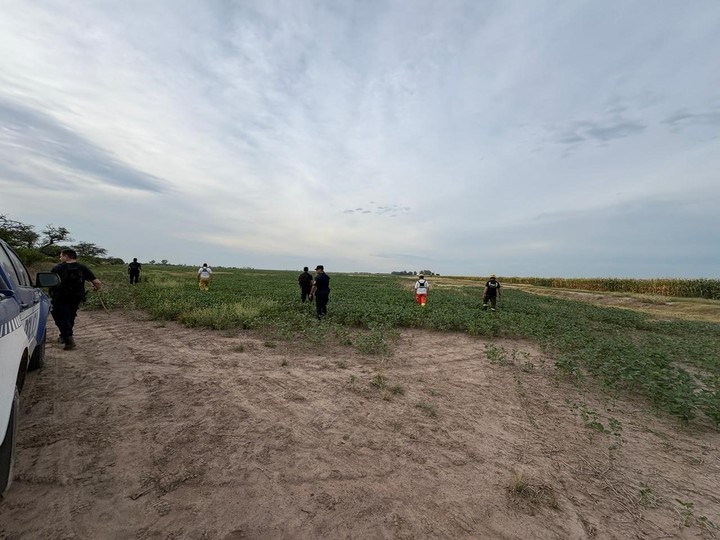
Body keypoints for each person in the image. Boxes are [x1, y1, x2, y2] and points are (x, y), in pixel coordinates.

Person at [49, 249, 102, 350]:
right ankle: (64, 336)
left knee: (60, 316)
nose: (60, 258)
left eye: (61, 256)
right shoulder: (82, 267)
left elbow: (50, 283)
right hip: (76, 297)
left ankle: (68, 338)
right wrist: (96, 288)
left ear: (66, 256)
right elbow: (97, 282)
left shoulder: (58, 268)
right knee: (70, 315)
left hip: (60, 297)